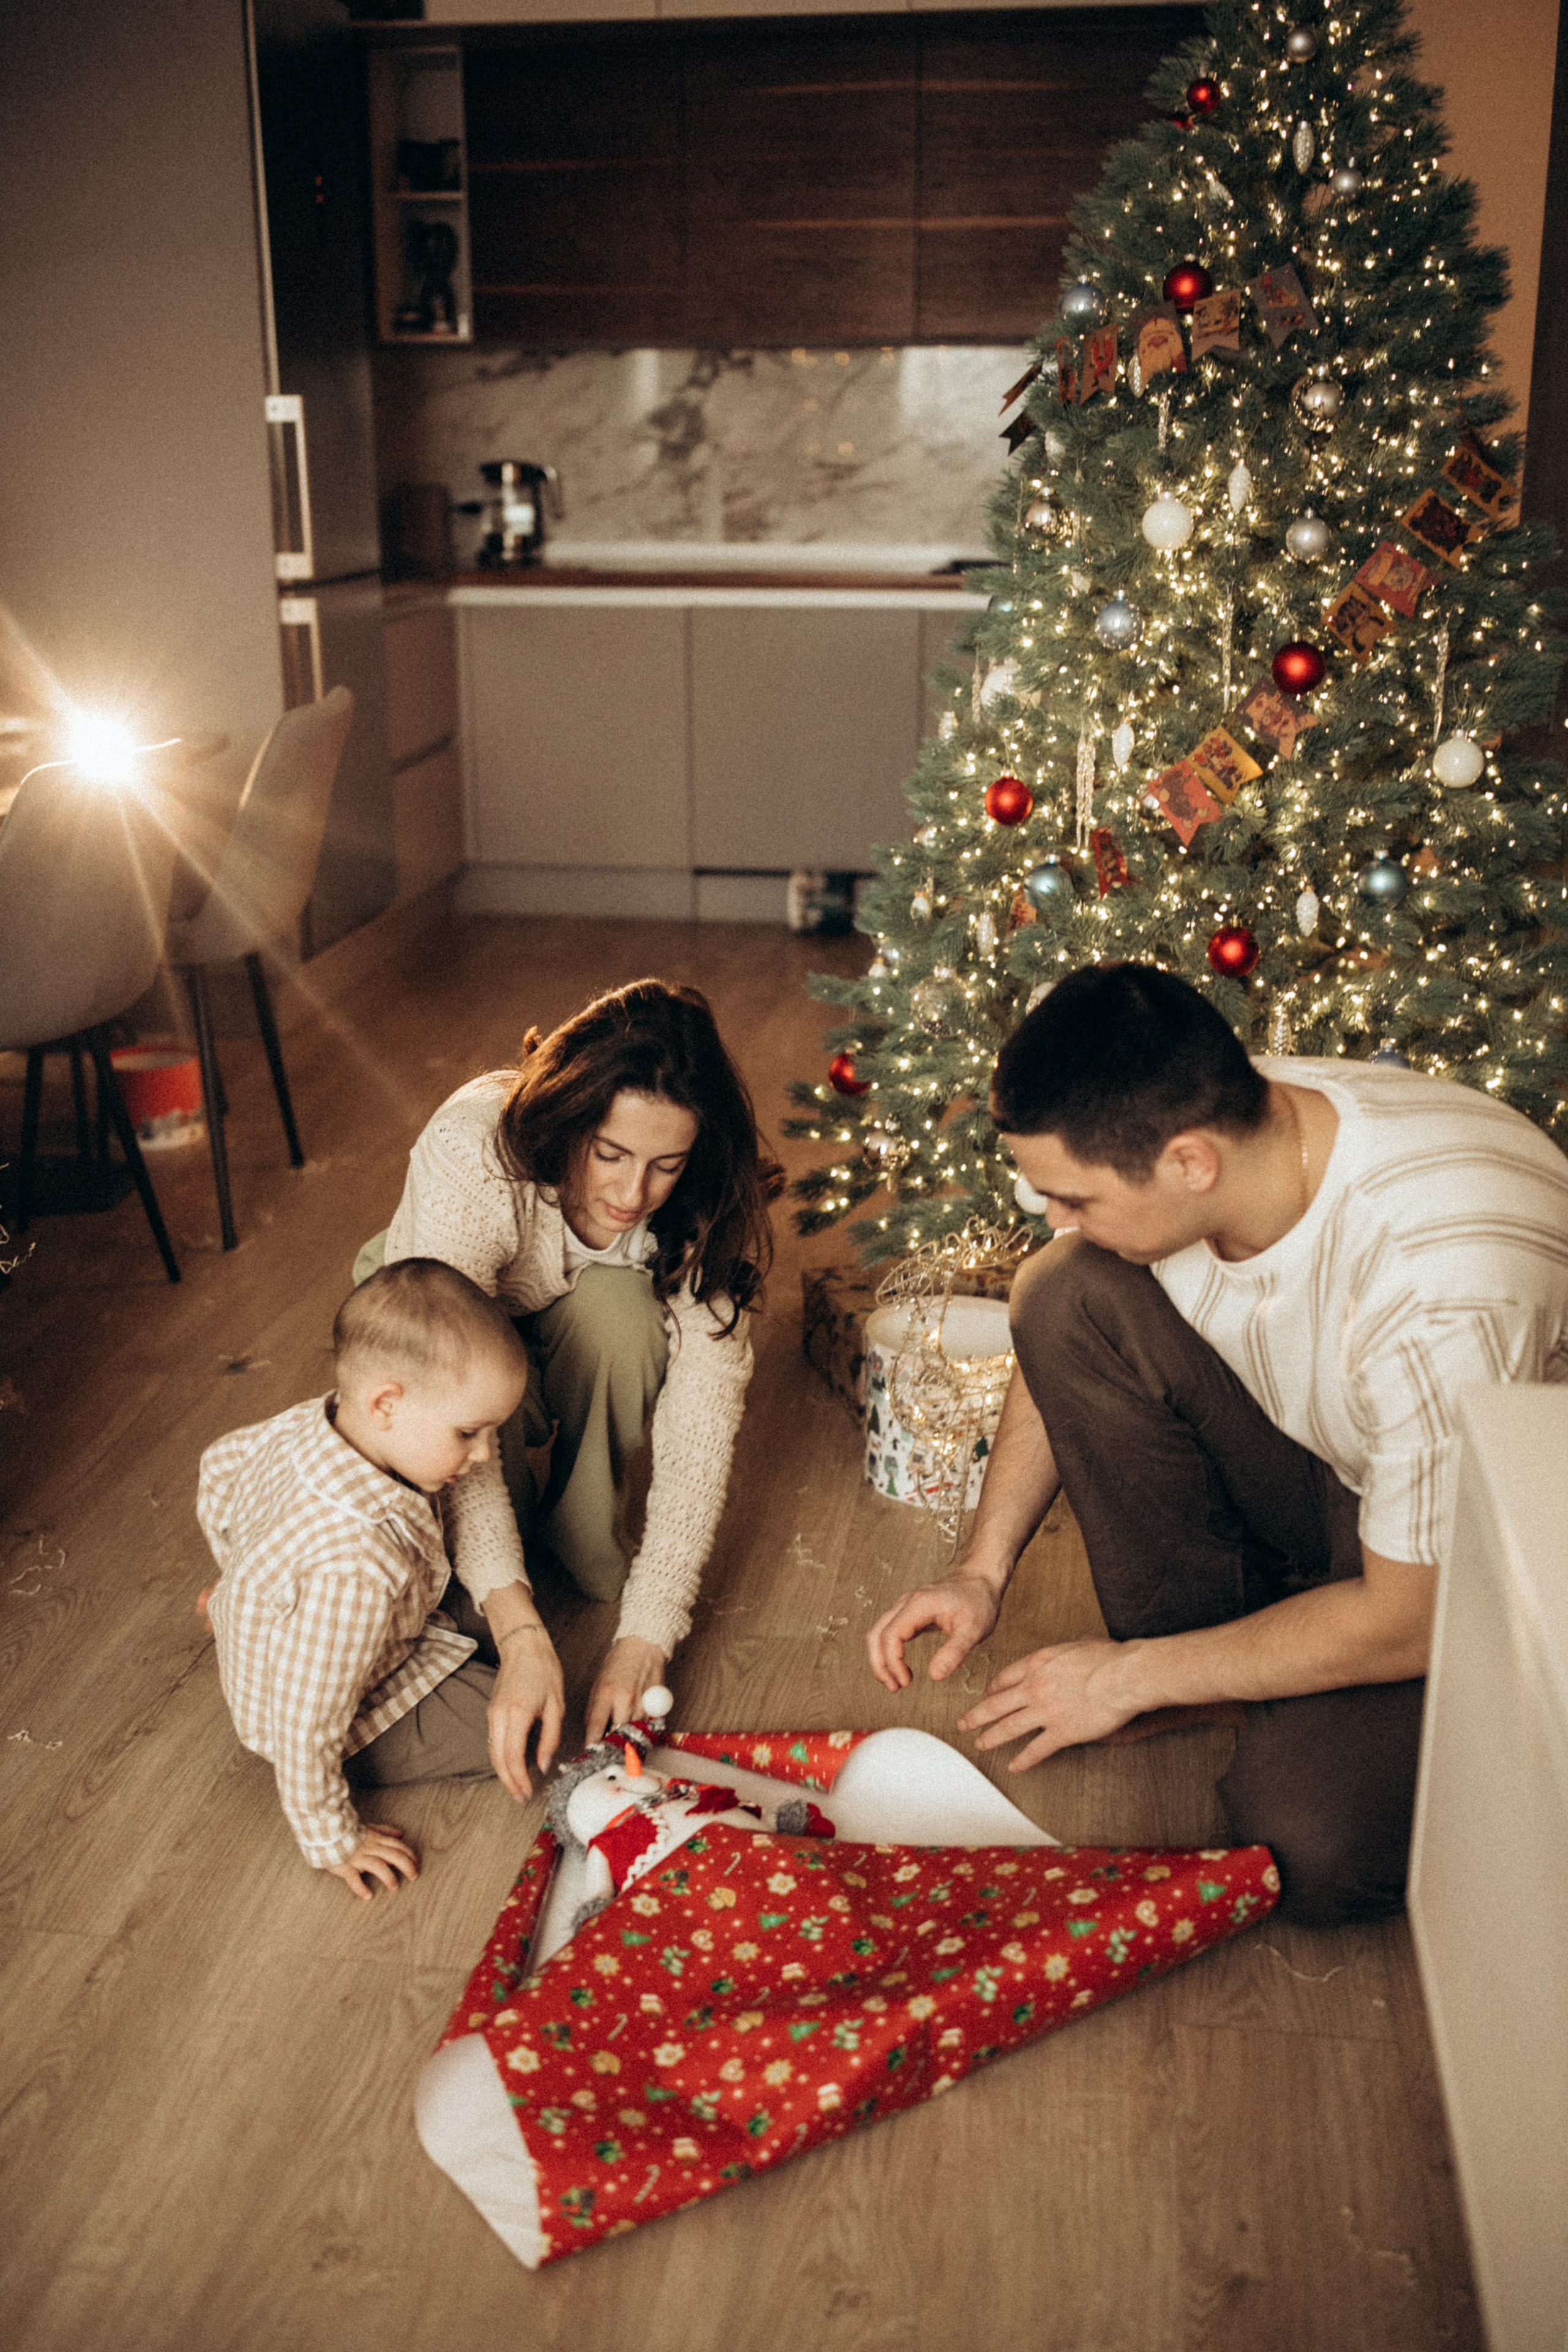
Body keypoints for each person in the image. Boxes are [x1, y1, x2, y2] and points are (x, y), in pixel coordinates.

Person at [868, 963, 1568, 1927]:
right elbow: (1064, 1296)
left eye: (1074, 1196)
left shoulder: (1437, 1291)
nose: (1056, 1217)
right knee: (1064, 1289)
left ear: (1191, 1163)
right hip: (1366, 1471)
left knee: (1303, 1843)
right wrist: (983, 1568)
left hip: (1513, 1570)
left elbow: (1411, 1616)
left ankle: (1250, 1683)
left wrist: (1125, 1676)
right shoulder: (1230, 1116)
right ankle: (1241, 1668)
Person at [361, 978, 777, 1799]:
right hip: (445, 1322)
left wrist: (647, 1636)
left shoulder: (701, 1208)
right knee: (480, 1579)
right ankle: (506, 1560)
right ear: (568, 1122)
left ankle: (579, 1536)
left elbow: (699, 1437)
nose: (632, 1195)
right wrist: (518, 1629)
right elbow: (451, 1389)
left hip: (578, 1320)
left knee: (625, 1321)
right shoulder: (476, 1157)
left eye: (667, 1165)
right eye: (610, 1155)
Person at [198, 1259, 529, 1901]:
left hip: (352, 1631)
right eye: (468, 1433)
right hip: (320, 1715)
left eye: (491, 1433)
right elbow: (306, 1723)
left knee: (494, 1626)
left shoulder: (310, 1421)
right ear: (385, 1404)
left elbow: (219, 1469)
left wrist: (240, 1575)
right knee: (511, 1729)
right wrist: (333, 1837)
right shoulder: (351, 1570)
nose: (485, 1455)